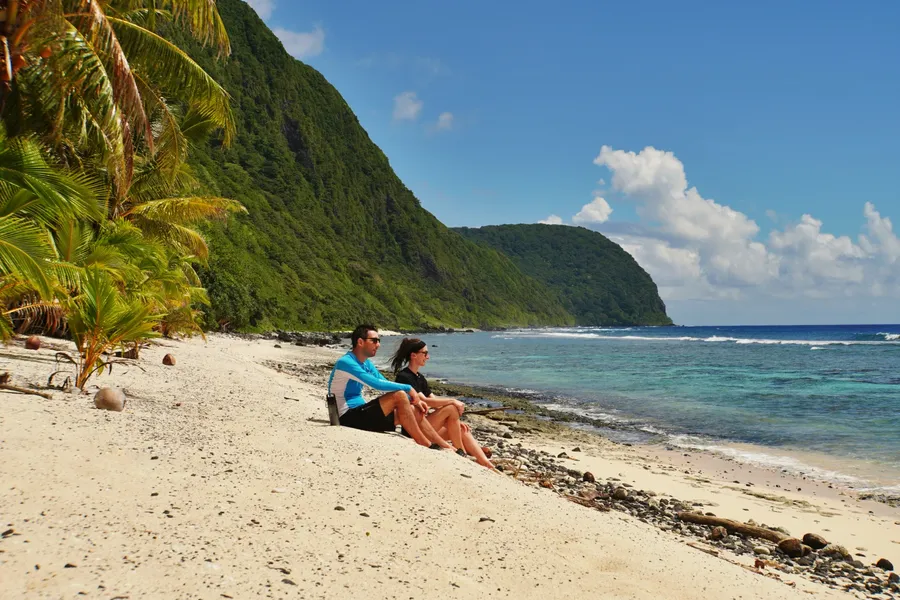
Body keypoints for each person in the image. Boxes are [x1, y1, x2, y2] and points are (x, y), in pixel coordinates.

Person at [327, 325, 460, 451]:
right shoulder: (346, 362)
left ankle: (446, 447)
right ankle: (425, 443)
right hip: (346, 416)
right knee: (399, 395)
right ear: (360, 342)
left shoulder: (365, 363)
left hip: (362, 413)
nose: (378, 345)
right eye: (374, 341)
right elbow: (376, 384)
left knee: (413, 408)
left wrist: (415, 399)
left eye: (378, 341)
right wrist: (409, 389)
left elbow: (383, 382)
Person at [390, 338, 496, 469]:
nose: (427, 357)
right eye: (425, 353)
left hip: (427, 426)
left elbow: (437, 403)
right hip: (414, 429)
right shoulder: (404, 376)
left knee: (463, 429)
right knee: (452, 408)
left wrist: (455, 421)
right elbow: (425, 401)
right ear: (413, 355)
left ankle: (486, 463)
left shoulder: (420, 378)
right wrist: (452, 400)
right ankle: (461, 453)